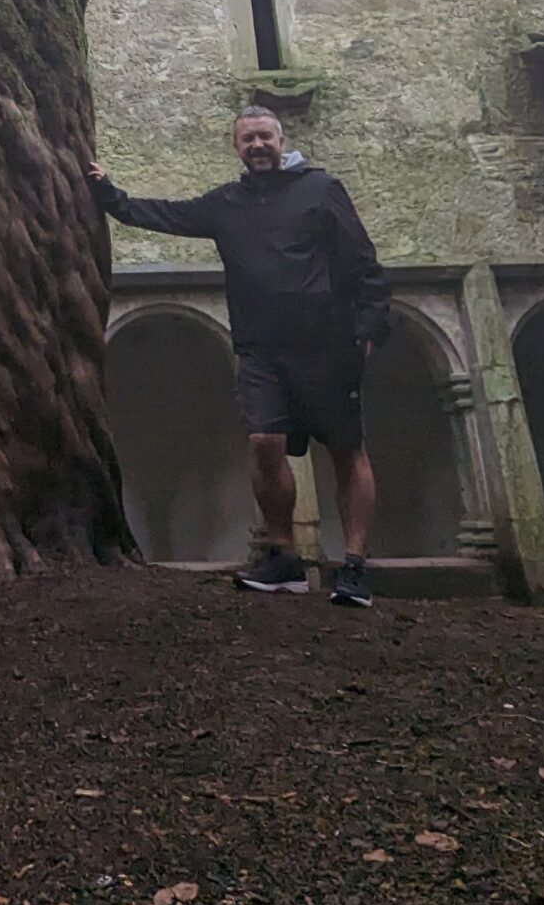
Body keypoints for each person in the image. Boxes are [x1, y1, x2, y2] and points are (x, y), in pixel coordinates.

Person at [89, 107, 389, 602]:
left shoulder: (320, 189)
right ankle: (283, 556)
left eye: (264, 136)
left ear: (280, 138)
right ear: (237, 148)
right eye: (247, 139)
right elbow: (164, 214)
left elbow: (363, 261)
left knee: (345, 450)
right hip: (260, 350)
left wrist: (371, 323)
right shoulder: (228, 203)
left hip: (328, 346)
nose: (257, 145)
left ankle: (354, 566)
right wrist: (108, 194)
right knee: (265, 444)